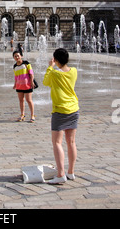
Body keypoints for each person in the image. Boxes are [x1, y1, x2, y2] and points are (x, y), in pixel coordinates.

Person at [43, 48, 79, 185]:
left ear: (56, 60)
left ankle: (60, 174)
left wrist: (50, 67)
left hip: (60, 110)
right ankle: (71, 172)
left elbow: (46, 82)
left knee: (57, 143)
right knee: (71, 142)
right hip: (74, 109)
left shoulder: (54, 74)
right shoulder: (74, 71)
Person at [12, 50, 35, 122]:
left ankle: (32, 115)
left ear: (21, 56)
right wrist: (15, 84)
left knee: (29, 100)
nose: (16, 57)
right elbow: (16, 76)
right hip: (19, 85)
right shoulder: (15, 66)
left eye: (18, 55)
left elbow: (31, 73)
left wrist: (31, 82)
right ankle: (22, 115)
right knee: (21, 100)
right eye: (15, 56)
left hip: (27, 85)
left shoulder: (26, 63)